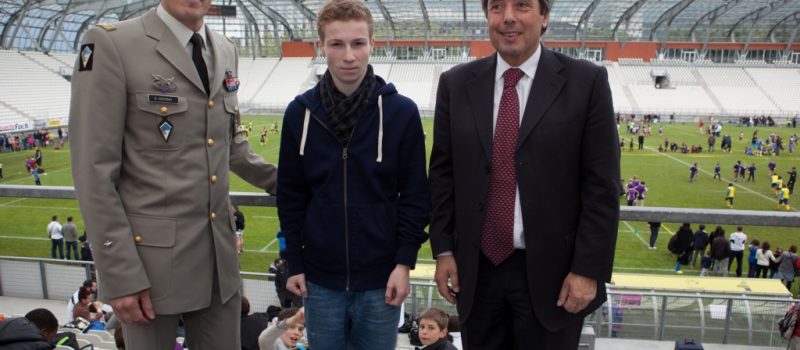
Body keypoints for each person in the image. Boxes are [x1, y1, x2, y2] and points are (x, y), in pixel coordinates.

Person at [68, 0, 279, 348]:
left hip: (219, 261)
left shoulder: (225, 49)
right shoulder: (113, 43)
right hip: (150, 270)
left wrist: (295, 184)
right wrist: (119, 274)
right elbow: (93, 170)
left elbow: (231, 143)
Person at [428, 0, 620, 347]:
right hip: (478, 272)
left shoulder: (585, 82)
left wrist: (587, 270)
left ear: (544, 16)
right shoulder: (455, 84)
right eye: (497, 7)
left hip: (556, 276)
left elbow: (601, 186)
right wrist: (443, 251)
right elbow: (443, 175)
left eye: (522, 6)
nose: (508, 18)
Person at [277, 1, 430, 349]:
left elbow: (416, 196)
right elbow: (290, 195)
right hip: (320, 281)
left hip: (382, 280)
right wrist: (295, 263)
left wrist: (404, 262)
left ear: (372, 45)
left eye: (358, 43)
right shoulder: (299, 114)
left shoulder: (400, 112)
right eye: (337, 44)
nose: (349, 55)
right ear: (321, 47)